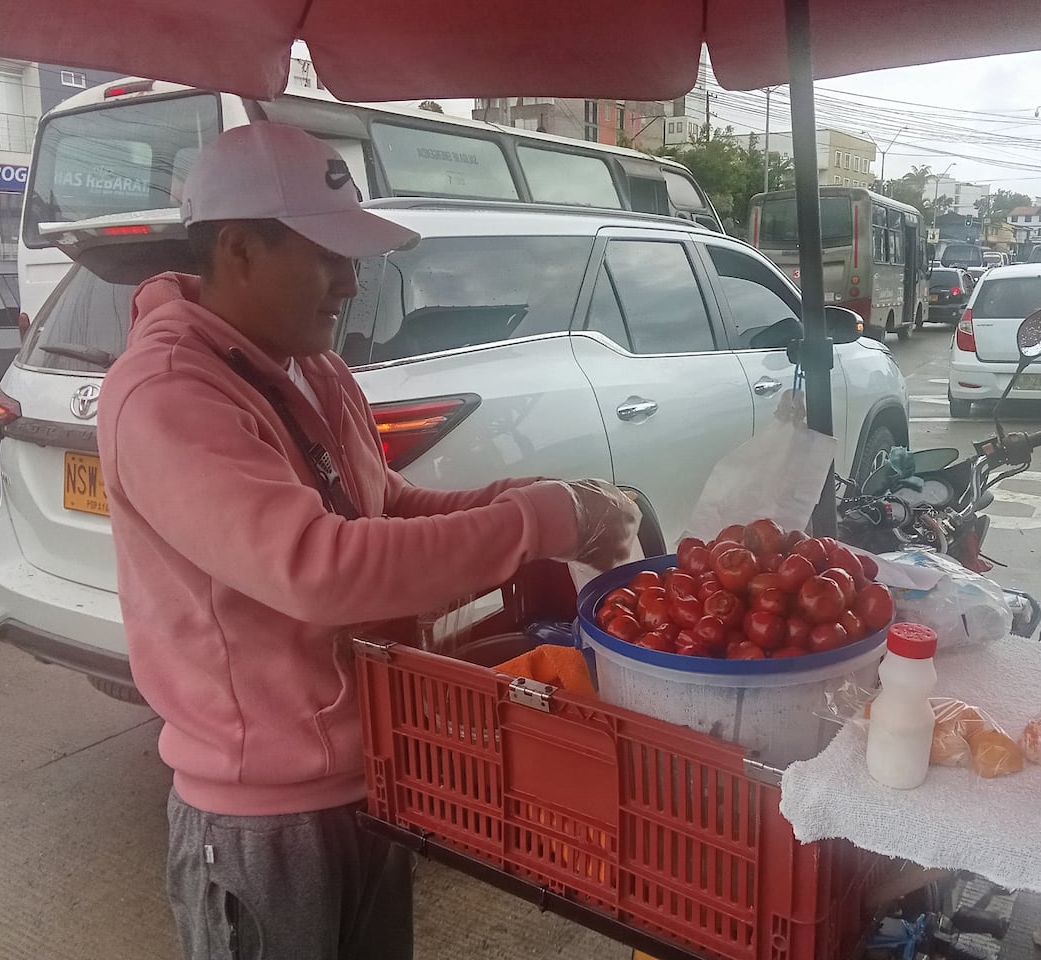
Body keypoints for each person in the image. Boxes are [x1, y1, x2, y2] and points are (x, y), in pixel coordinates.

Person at [96, 123, 640, 960]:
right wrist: (540, 522)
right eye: (327, 257)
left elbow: (380, 509)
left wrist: (522, 501)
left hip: (379, 767)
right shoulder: (172, 394)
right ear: (239, 250)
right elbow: (322, 570)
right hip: (265, 817)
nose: (349, 284)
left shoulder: (314, 367)